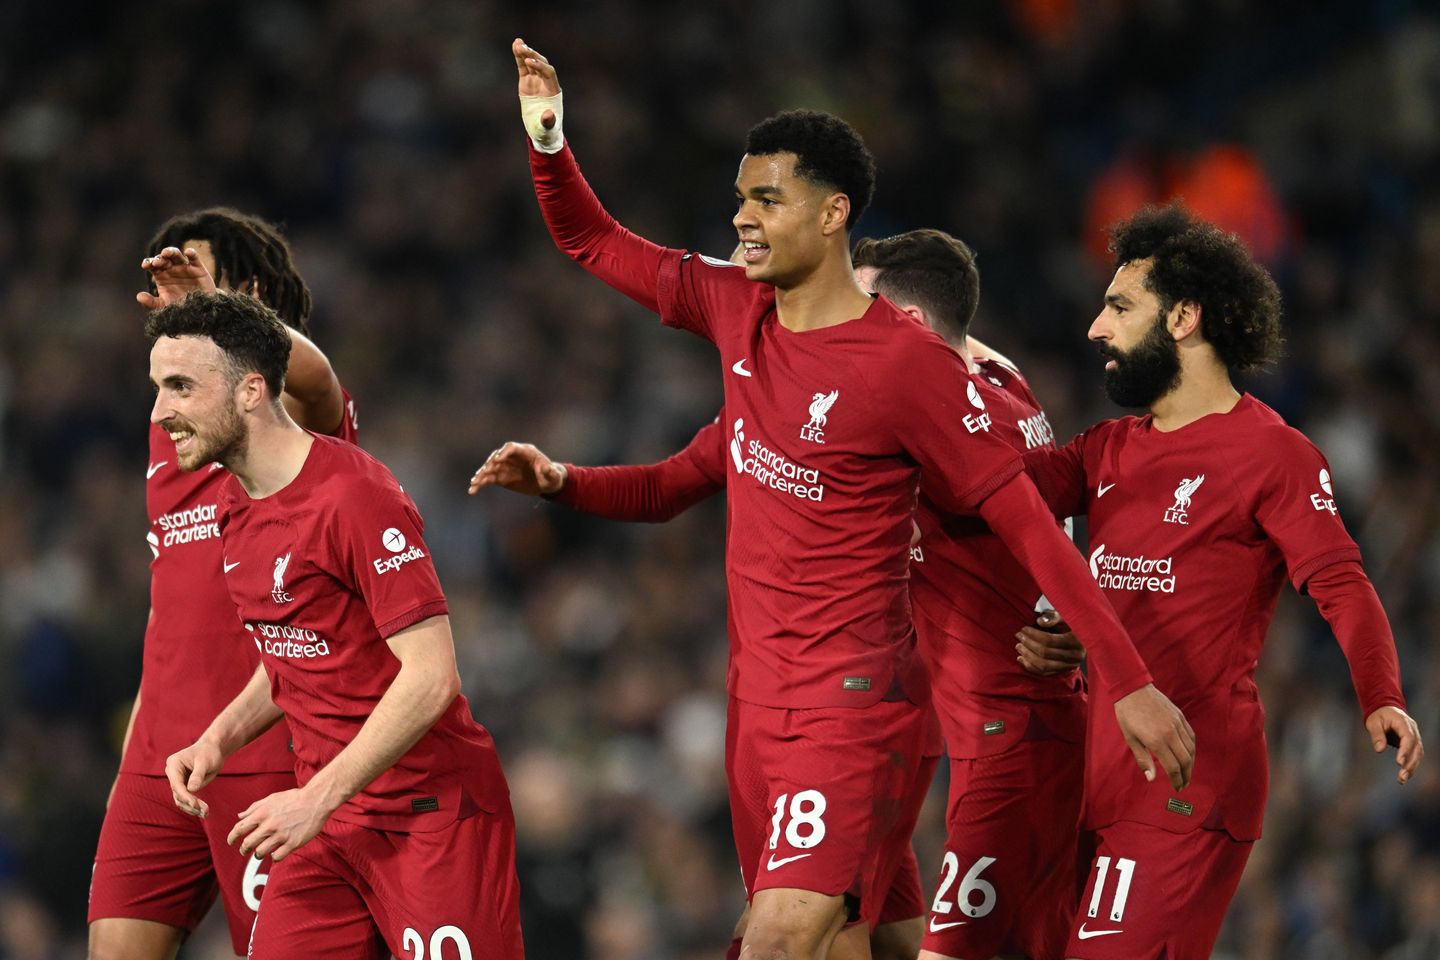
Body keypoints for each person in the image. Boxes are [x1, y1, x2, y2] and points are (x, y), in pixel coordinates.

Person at [513, 37, 1192, 960]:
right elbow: (591, 239)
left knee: (778, 942)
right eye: (742, 198)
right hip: (755, 705)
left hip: (851, 705)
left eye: (767, 200)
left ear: (833, 214)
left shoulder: (907, 366)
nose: (743, 219)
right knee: (850, 946)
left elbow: (1029, 525)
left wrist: (1131, 682)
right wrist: (548, 135)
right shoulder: (733, 310)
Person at [473, 228, 1090, 960]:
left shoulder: (964, 407)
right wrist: (561, 480)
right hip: (908, 709)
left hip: (992, 736)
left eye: (860, 302)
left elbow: (1043, 521)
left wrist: (1073, 625)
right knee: (868, 942)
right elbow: (676, 480)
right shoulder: (896, 380)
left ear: (911, 326)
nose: (837, 316)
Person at [1017, 204, 1424, 959]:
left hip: (1186, 785)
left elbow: (1341, 583)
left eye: (1118, 306)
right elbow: (996, 496)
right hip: (1086, 780)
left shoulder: (1274, 455)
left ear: (1183, 318)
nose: (1095, 329)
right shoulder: (1105, 451)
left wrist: (1382, 693)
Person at [149, 291, 523, 959]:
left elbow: (432, 676)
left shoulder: (354, 496)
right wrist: (218, 738)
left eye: (179, 386)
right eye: (157, 388)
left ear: (250, 392)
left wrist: (314, 799)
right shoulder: (235, 505)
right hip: (328, 827)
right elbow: (297, 647)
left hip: (429, 819)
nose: (160, 412)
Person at [88, 209, 357, 960]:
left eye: (202, 283)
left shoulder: (294, 421)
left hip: (267, 750)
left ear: (252, 292)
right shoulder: (171, 434)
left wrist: (222, 317)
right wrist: (132, 762)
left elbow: (320, 380)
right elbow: (169, 604)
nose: (179, 301)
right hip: (159, 754)